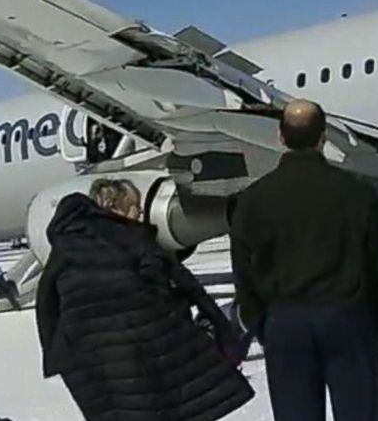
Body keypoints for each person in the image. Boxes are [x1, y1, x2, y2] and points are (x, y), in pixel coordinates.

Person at [231, 99, 378, 421]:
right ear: (323, 136)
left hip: (285, 322)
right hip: (348, 318)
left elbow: (243, 273)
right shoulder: (355, 191)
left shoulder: (254, 200)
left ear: (281, 137)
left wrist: (262, 325)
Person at [37, 178, 254, 421]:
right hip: (144, 354)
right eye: (136, 207)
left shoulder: (65, 249)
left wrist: (57, 356)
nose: (141, 214)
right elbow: (178, 286)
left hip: (96, 366)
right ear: (119, 208)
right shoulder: (134, 240)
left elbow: (47, 307)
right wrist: (210, 326)